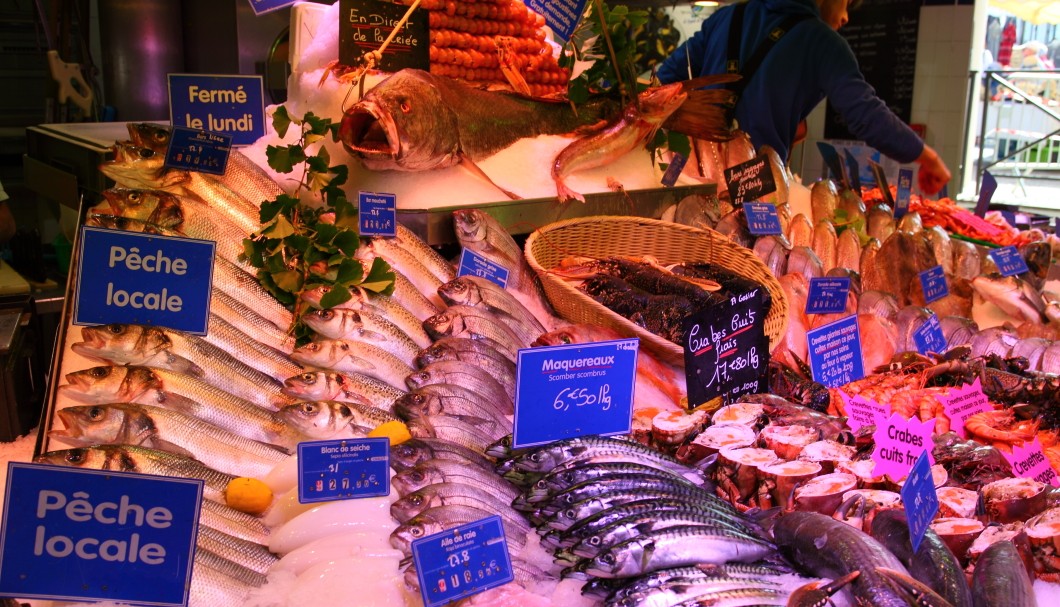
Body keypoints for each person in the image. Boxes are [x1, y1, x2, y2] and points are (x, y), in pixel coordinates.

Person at [655, 0, 951, 195]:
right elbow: (867, 117)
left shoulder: (727, 17)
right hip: (754, 189)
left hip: (689, 176)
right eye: (846, 2)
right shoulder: (824, 42)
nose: (846, 16)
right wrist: (928, 157)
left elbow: (664, 81)